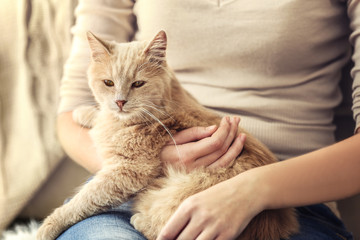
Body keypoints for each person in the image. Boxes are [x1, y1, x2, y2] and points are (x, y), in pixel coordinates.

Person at [56, 0, 360, 239]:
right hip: (136, 186)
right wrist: (141, 166)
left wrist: (251, 190)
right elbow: (70, 114)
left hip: (285, 202)